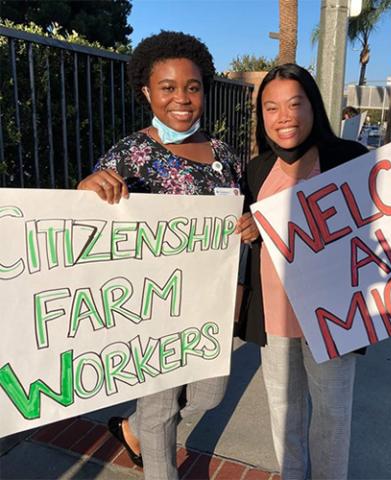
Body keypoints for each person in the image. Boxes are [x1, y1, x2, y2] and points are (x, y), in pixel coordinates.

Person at [237, 63, 391, 480]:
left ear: (314, 106)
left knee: (331, 421)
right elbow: (246, 238)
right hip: (274, 322)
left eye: (295, 103)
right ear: (262, 117)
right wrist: (251, 228)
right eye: (271, 108)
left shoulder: (351, 161)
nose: (283, 117)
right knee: (283, 419)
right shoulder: (257, 171)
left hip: (335, 322)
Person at [77, 31, 258, 480]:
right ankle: (155, 455)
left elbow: (242, 221)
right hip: (152, 310)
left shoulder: (223, 155)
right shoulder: (131, 154)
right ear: (147, 91)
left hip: (207, 308)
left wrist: (250, 226)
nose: (181, 98)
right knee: (160, 409)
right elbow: (86, 223)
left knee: (209, 396)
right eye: (168, 87)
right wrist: (86, 191)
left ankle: (131, 429)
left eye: (192, 87)